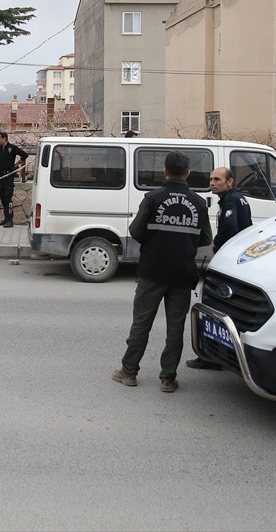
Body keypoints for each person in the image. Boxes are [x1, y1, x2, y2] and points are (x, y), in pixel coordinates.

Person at [112, 151, 212, 393]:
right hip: (182, 273)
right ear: (188, 173)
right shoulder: (199, 203)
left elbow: (135, 232)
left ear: (164, 171)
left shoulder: (153, 198)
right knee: (175, 329)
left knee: (141, 324)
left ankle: (129, 372)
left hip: (152, 271)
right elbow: (206, 238)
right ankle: (168, 378)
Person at [186, 167, 253, 370]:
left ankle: (210, 356)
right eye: (211, 179)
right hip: (240, 262)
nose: (212, 183)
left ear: (230, 182)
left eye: (217, 179)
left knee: (212, 305)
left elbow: (230, 227)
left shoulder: (231, 200)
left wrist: (217, 244)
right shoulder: (236, 198)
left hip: (231, 262)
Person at [0, 131, 28, 228]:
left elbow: (24, 155)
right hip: (0, 176)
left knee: (8, 198)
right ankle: (6, 218)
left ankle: (10, 220)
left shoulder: (12, 148)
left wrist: (16, 165)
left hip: (9, 176)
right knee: (3, 199)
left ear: (5, 138)